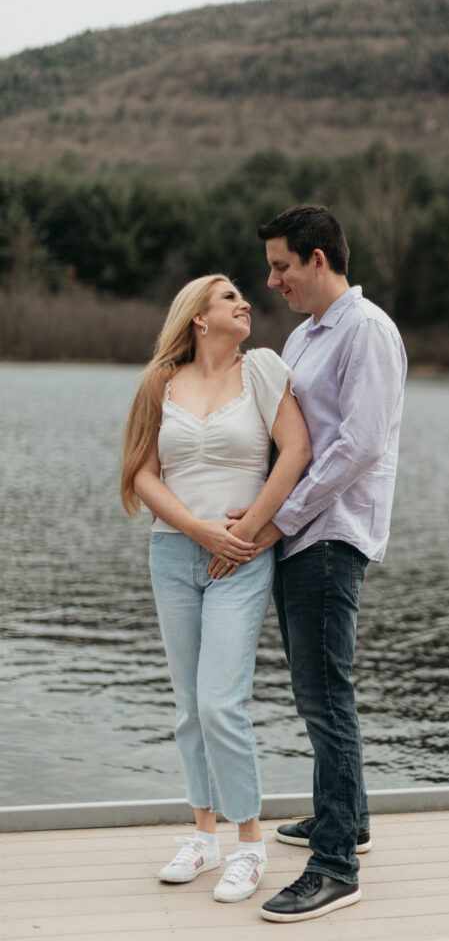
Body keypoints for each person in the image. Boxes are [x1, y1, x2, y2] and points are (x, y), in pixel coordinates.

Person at [212, 205, 407, 922]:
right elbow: (280, 437)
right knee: (315, 692)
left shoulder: (368, 331)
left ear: (318, 259)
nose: (273, 280)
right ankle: (346, 820)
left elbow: (358, 448)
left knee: (325, 695)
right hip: (297, 536)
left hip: (330, 535)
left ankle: (335, 866)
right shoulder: (301, 337)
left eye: (282, 265)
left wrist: (278, 521)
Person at [120, 274, 311, 904]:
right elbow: (143, 475)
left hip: (242, 557)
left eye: (243, 297)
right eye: (228, 296)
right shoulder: (160, 382)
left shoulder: (261, 369)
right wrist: (199, 530)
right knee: (187, 705)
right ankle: (203, 836)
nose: (244, 302)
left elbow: (296, 450)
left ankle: (249, 846)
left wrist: (249, 529)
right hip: (174, 553)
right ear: (199, 317)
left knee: (220, 702)